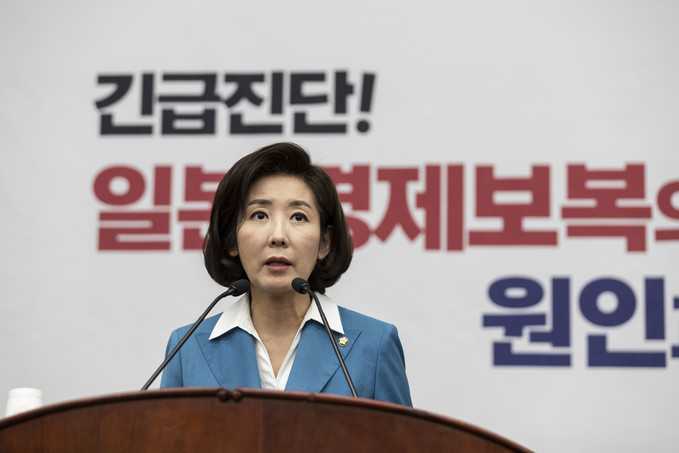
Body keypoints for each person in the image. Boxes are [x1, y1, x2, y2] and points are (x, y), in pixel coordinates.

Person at [160, 142, 412, 406]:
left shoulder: (375, 344)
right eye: (259, 215)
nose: (278, 236)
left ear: (324, 243)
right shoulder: (186, 348)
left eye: (298, 217)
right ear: (232, 240)